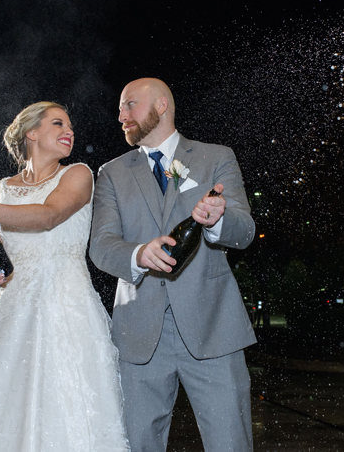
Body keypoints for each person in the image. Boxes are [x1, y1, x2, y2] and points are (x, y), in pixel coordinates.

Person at [0, 102, 130, 451]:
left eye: (70, 126)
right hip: (12, 316)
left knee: (67, 412)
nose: (69, 131)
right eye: (58, 124)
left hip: (67, 311)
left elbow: (49, 215)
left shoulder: (78, 175)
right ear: (32, 132)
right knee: (2, 411)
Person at [90, 78, 257, 452]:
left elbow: (244, 230)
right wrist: (137, 255)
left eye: (129, 104)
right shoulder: (111, 173)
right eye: (120, 109)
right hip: (138, 335)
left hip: (214, 328)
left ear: (161, 105)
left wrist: (217, 222)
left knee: (231, 444)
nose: (121, 116)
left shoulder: (217, 157)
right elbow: (101, 246)